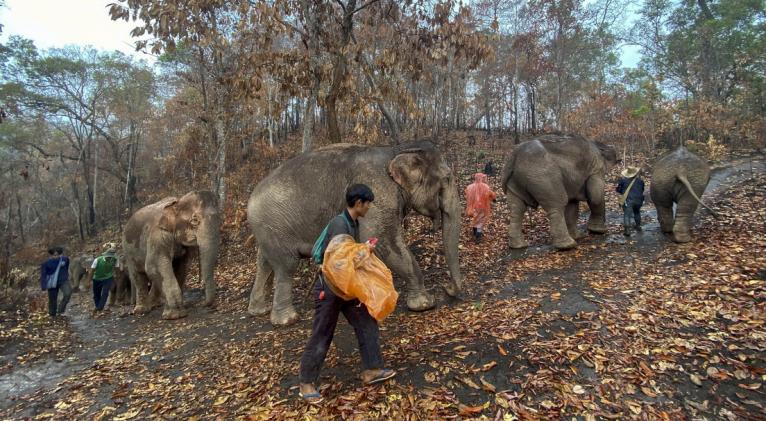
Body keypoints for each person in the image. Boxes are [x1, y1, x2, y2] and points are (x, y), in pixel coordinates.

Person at [298, 184, 396, 405]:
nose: (369, 207)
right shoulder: (340, 224)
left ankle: (372, 369)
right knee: (322, 333)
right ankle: (306, 382)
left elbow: (347, 256)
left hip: (347, 287)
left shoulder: (353, 223)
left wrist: (363, 248)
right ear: (359, 203)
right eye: (368, 203)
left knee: (366, 321)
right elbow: (337, 261)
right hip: (331, 289)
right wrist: (364, 250)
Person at [39, 246, 71, 318]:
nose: (56, 256)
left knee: (68, 293)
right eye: (54, 255)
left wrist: (65, 274)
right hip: (52, 282)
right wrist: (43, 285)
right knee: (52, 299)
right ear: (51, 255)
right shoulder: (46, 263)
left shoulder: (65, 259)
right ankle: (52, 314)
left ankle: (61, 310)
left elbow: (67, 265)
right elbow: (43, 274)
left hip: (63, 280)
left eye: (58, 255)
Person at [465, 172, 497, 243]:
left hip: (473, 207)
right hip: (483, 207)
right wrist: (494, 199)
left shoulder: (470, 187)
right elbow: (490, 194)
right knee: (480, 221)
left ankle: (474, 232)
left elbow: (467, 194)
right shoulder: (485, 186)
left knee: (475, 219)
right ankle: (478, 236)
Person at [89, 245, 120, 315]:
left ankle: (99, 308)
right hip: (97, 278)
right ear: (105, 255)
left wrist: (115, 280)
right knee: (96, 294)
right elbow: (92, 271)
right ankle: (98, 307)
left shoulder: (115, 259)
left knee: (105, 293)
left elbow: (117, 270)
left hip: (108, 278)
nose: (110, 258)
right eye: (108, 257)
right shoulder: (97, 260)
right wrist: (88, 281)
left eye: (111, 257)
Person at [616, 166, 645, 236]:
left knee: (627, 215)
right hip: (639, 200)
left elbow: (618, 190)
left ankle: (627, 230)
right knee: (637, 212)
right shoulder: (640, 181)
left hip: (628, 200)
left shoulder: (623, 181)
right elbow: (642, 189)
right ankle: (638, 226)